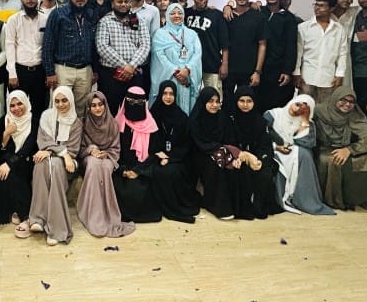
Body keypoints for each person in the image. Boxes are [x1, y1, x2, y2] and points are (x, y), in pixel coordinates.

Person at [189, 87, 261, 220]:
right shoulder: (195, 119)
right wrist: (225, 154)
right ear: (203, 102)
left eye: (217, 101)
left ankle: (239, 209)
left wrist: (232, 157)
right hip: (201, 155)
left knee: (237, 167)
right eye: (210, 101)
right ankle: (221, 208)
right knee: (217, 167)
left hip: (223, 151)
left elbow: (230, 139)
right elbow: (199, 144)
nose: (214, 105)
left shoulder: (223, 117)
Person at [313, 86, 367, 211]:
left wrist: (349, 150)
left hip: (348, 147)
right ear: (335, 98)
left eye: (351, 102)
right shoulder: (319, 111)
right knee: (332, 160)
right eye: (343, 100)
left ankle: (362, 198)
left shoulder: (355, 115)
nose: (347, 104)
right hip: (324, 148)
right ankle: (336, 200)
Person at [28, 86, 82, 246]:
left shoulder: (76, 123)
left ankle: (57, 228)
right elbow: (42, 141)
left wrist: (59, 153)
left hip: (69, 163)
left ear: (71, 101)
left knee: (56, 164)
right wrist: (58, 152)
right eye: (57, 101)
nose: (60, 104)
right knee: (40, 163)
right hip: (52, 159)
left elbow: (72, 150)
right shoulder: (47, 116)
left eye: (64, 100)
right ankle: (38, 218)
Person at [77, 92, 136, 238]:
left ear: (105, 105)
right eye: (93, 105)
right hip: (89, 157)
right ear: (89, 108)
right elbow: (80, 149)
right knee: (93, 165)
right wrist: (92, 150)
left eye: (100, 104)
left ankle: (107, 213)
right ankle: (93, 213)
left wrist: (106, 154)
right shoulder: (83, 124)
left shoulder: (113, 124)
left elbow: (116, 148)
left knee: (104, 167)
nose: (97, 108)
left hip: (108, 158)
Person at [265, 96, 335, 215]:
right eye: (297, 104)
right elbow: (261, 136)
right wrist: (276, 147)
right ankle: (278, 199)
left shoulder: (308, 123)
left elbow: (306, 143)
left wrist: (305, 120)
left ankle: (302, 199)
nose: (298, 109)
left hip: (292, 151)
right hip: (272, 149)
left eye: (304, 108)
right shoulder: (273, 115)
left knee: (305, 154)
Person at [42, 0, 97, 117]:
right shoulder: (58, 14)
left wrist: (95, 71)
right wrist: (50, 72)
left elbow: (94, 45)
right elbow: (48, 44)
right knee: (60, 108)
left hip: (85, 70)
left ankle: (77, 132)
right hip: (63, 69)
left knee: (82, 109)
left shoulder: (91, 15)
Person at [225, 86, 283, 219]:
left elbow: (265, 146)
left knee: (265, 172)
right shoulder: (230, 120)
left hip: (257, 157)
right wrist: (239, 157)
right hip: (237, 157)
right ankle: (243, 209)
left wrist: (259, 160)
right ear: (236, 101)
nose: (245, 105)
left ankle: (258, 207)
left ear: (254, 102)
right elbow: (228, 143)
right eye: (242, 101)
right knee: (239, 171)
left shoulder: (260, 122)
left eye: (249, 101)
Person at [149, 80, 200, 223]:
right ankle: (162, 207)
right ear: (160, 95)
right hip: (157, 155)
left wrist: (170, 157)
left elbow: (186, 144)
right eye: (165, 93)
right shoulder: (153, 114)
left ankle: (174, 207)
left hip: (178, 158)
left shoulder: (181, 117)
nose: (168, 97)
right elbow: (149, 140)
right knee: (157, 171)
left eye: (171, 94)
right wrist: (159, 154)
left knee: (170, 172)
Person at [0, 90, 38, 230]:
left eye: (20, 104)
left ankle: (25, 215)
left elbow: (30, 146)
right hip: (6, 158)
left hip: (27, 159)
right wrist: (6, 133)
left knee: (16, 170)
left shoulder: (34, 120)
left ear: (26, 103)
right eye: (12, 105)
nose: (16, 108)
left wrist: (10, 163)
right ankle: (9, 209)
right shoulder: (4, 120)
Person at [95, 0, 151, 115]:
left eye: (126, 1)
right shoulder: (105, 21)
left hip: (134, 74)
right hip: (111, 75)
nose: (123, 4)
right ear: (112, 4)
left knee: (134, 111)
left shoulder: (138, 20)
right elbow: (102, 46)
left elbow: (145, 45)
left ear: (130, 3)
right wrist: (125, 66)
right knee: (110, 111)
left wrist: (131, 66)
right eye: (119, 2)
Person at [112, 86, 162, 223]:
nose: (134, 105)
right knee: (119, 186)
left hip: (143, 168)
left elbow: (154, 153)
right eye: (131, 102)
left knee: (139, 189)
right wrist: (123, 170)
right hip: (122, 167)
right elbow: (114, 150)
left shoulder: (151, 125)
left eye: (139, 103)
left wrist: (138, 171)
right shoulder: (118, 124)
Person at [293, 0, 348, 105]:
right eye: (316, 5)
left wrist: (340, 74)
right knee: (304, 109)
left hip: (328, 78)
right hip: (307, 77)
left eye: (322, 6)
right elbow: (298, 52)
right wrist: (296, 73)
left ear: (331, 8)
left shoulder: (339, 29)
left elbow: (342, 53)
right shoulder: (303, 27)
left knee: (325, 109)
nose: (317, 8)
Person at [4, 0, 49, 118]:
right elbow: (9, 46)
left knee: (39, 109)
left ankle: (36, 132)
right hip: (20, 72)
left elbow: (48, 47)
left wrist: (49, 72)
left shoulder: (45, 19)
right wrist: (12, 74)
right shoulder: (13, 20)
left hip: (40, 72)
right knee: (17, 110)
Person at [150, 3, 202, 114]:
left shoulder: (192, 34)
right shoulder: (160, 34)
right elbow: (159, 56)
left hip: (187, 77)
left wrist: (187, 69)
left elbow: (197, 54)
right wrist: (176, 71)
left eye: (180, 13)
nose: (177, 16)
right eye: (172, 13)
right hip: (169, 77)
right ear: (167, 15)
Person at [223, 0, 267, 111]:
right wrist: (227, 6)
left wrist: (257, 72)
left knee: (248, 106)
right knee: (227, 105)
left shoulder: (258, 17)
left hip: (250, 70)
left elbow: (263, 45)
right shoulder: (227, 16)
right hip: (229, 70)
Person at [255, 0, 297, 111]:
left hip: (278, 70)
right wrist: (228, 6)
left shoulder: (289, 18)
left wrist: (287, 71)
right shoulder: (258, 13)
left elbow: (291, 46)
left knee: (277, 107)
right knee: (257, 104)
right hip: (257, 68)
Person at [184, 0, 229, 95]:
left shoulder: (217, 15)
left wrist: (224, 64)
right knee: (190, 97)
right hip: (189, 65)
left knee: (214, 97)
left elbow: (225, 43)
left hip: (212, 64)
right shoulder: (185, 13)